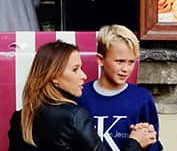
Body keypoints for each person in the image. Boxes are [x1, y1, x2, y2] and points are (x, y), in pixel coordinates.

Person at [8, 41, 157, 151]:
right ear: (54, 77)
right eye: (75, 69)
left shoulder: (20, 117)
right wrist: (135, 142)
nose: (84, 75)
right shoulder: (75, 116)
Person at [79, 26, 162, 151]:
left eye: (131, 62)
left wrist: (148, 140)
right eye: (119, 61)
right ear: (100, 60)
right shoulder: (80, 95)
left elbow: (153, 144)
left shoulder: (142, 98)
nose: (126, 69)